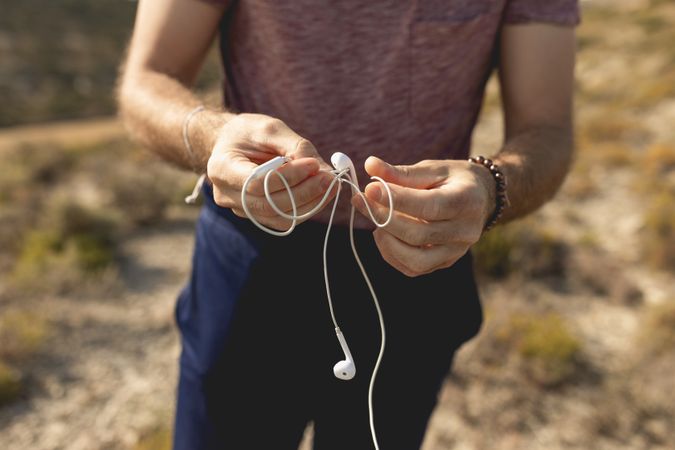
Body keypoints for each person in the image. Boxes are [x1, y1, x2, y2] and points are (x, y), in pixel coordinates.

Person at [117, 1, 579, 448]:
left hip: (418, 266)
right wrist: (212, 137)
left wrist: (492, 187)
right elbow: (146, 82)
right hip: (250, 257)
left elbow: (548, 130)